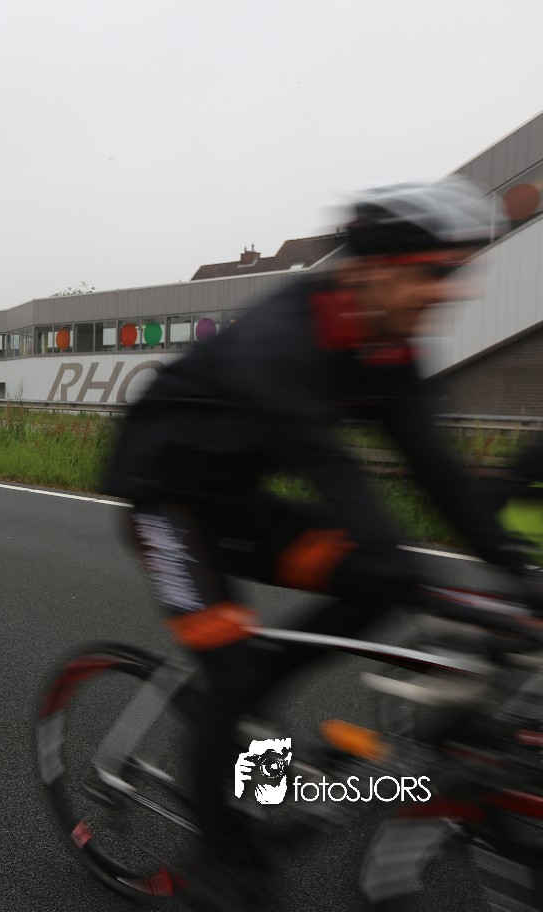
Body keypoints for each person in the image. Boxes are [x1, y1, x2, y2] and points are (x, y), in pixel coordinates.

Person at [101, 176, 543, 911]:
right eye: (435, 273)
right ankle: (220, 860)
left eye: (457, 273)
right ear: (375, 268)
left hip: (236, 502)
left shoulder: (387, 349)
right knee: (237, 668)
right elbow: (334, 472)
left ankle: (254, 703)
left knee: (373, 581)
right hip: (164, 501)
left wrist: (518, 570)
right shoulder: (285, 337)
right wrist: (439, 592)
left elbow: (438, 473)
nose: (451, 292)